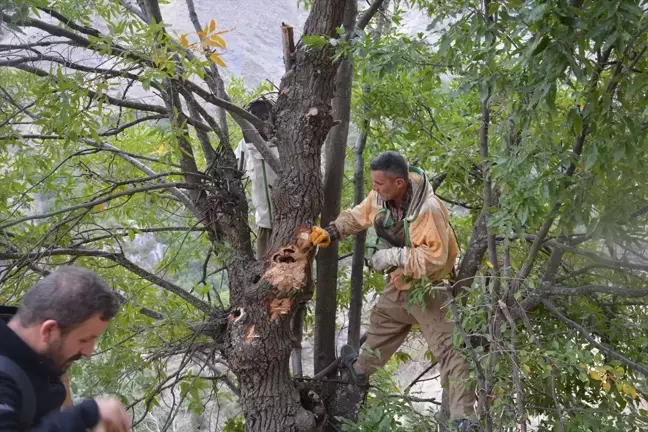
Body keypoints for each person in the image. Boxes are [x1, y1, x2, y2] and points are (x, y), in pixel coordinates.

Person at [310, 151, 478, 431]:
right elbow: (360, 215)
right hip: (403, 283)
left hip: (431, 288)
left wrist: (393, 258)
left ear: (399, 183)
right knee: (381, 324)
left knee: (452, 352)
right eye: (374, 184)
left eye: (379, 184)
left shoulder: (429, 210)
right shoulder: (382, 196)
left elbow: (435, 259)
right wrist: (332, 231)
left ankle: (463, 419)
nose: (374, 189)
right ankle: (360, 371)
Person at [0, 266, 131, 431]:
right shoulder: (5, 379)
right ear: (48, 331)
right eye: (84, 339)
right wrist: (85, 415)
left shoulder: (38, 363)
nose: (88, 352)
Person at [235, 96, 279, 259]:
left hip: (292, 223)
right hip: (264, 224)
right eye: (254, 115)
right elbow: (234, 170)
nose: (259, 119)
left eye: (263, 114)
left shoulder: (287, 143)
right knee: (266, 275)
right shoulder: (243, 146)